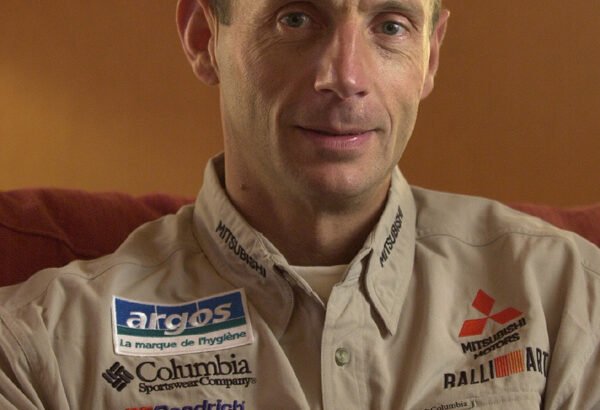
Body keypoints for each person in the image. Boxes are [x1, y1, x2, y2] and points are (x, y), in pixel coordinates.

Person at [0, 0, 598, 408]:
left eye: (391, 25)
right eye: (295, 18)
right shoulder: (39, 348)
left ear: (430, 56)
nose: (345, 76)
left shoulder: (570, 298)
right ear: (204, 38)